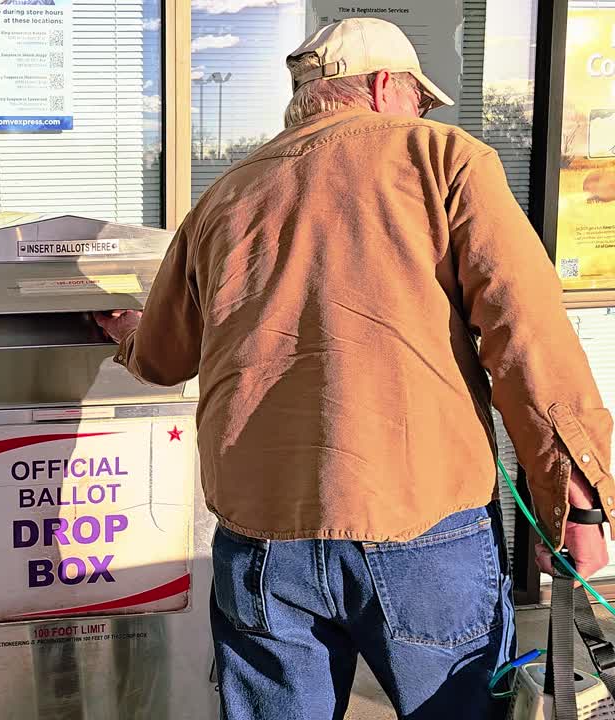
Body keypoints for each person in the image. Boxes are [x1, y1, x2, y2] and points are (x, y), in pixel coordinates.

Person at [94, 17, 615, 720]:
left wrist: (127, 333)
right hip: (421, 521)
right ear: (382, 86)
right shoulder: (444, 159)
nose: (421, 114)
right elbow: (526, 335)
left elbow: (162, 358)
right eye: (419, 99)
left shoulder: (224, 196)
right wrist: (575, 500)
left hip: (261, 535)